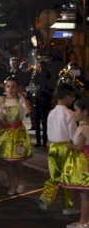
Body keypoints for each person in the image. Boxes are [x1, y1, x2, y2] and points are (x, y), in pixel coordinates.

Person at [38, 84, 79, 215]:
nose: (72, 100)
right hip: (66, 147)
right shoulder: (70, 114)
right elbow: (73, 134)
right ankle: (69, 206)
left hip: (53, 146)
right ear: (67, 97)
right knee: (67, 177)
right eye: (72, 97)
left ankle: (46, 197)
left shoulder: (52, 112)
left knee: (55, 175)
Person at [0, 76, 32, 195]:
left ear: (17, 88)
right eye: (8, 86)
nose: (10, 89)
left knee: (17, 161)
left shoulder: (20, 100)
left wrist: (22, 96)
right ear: (5, 88)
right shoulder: (0, 100)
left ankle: (21, 181)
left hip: (17, 133)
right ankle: (12, 185)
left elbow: (29, 110)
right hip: (5, 133)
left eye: (13, 86)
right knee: (8, 162)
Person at [60, 97, 89, 228]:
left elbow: (79, 148)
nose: (74, 113)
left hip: (83, 163)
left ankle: (83, 221)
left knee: (85, 195)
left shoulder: (85, 128)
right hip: (83, 162)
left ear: (85, 112)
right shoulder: (83, 126)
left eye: (76, 110)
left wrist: (67, 144)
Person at [31, 60, 54, 147]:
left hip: (45, 99)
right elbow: (32, 85)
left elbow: (51, 89)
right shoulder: (35, 76)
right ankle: (38, 141)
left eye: (40, 67)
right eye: (38, 67)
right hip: (36, 100)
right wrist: (32, 89)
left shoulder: (48, 77)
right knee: (37, 121)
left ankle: (44, 141)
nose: (39, 68)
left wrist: (41, 88)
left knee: (44, 121)